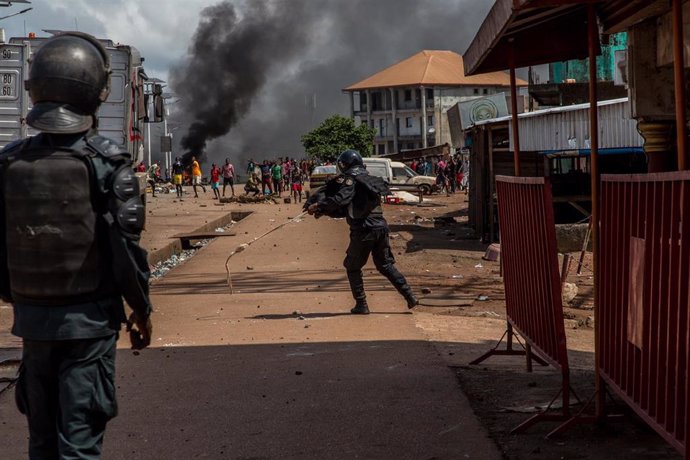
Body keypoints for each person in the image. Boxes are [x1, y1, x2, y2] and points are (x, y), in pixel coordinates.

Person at [0, 32, 152, 459]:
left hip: (32, 322)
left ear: (34, 89)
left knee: (41, 441)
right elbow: (127, 252)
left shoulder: (10, 163)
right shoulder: (107, 165)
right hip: (88, 325)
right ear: (97, 94)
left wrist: (19, 298)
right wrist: (140, 309)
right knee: (79, 441)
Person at [304, 150, 418, 314]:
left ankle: (361, 304)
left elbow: (340, 199)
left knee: (352, 266)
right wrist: (324, 212)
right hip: (380, 227)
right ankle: (410, 296)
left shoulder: (351, 179)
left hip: (364, 229)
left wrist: (319, 206)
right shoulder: (369, 179)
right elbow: (349, 209)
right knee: (385, 265)